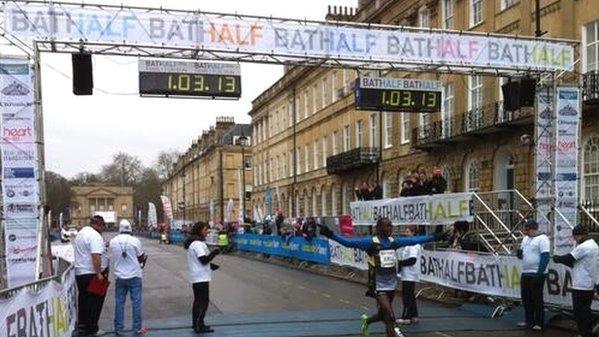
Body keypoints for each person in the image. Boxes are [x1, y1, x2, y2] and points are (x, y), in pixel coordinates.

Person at [319, 218, 445, 337]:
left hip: (391, 284)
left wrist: (434, 237)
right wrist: (330, 234)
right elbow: (349, 243)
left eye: (391, 225)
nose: (390, 228)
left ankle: (367, 321)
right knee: (390, 316)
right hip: (378, 285)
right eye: (387, 226)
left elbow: (414, 240)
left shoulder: (393, 242)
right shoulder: (370, 242)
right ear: (379, 228)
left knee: (383, 315)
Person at [553, 225, 599, 337]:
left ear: (581, 235)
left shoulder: (585, 246)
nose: (575, 239)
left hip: (582, 285)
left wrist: (556, 258)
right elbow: (572, 262)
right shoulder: (593, 245)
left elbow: (569, 258)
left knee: (581, 312)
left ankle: (586, 334)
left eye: (575, 237)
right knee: (584, 311)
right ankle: (585, 333)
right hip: (586, 283)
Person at [109, 219, 148, 335]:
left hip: (119, 276)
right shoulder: (135, 241)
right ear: (130, 228)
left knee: (119, 303)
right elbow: (141, 258)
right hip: (135, 275)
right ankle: (137, 329)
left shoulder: (113, 241)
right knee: (136, 302)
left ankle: (118, 329)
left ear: (119, 229)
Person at [185, 222, 221, 334]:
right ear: (199, 230)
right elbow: (203, 259)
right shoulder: (197, 244)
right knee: (202, 301)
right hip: (200, 277)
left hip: (199, 276)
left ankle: (197, 323)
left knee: (200, 301)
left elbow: (201, 261)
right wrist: (215, 252)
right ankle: (198, 325)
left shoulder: (196, 243)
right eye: (206, 230)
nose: (207, 232)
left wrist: (211, 266)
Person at [74, 215, 107, 336]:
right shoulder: (95, 236)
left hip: (81, 273)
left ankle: (83, 325)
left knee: (84, 300)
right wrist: (99, 273)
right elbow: (95, 256)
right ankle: (92, 328)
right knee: (95, 301)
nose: (104, 229)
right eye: (103, 226)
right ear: (99, 225)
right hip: (92, 273)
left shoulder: (82, 232)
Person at [516, 219, 550, 331]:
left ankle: (539, 322)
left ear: (534, 229)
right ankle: (529, 321)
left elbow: (545, 256)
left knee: (537, 298)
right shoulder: (525, 239)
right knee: (526, 298)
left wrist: (540, 273)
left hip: (536, 273)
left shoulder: (543, 239)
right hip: (525, 272)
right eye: (525, 229)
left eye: (527, 229)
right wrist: (519, 254)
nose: (525, 232)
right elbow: (522, 254)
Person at [396, 225, 422, 325]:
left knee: (407, 295)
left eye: (408, 232)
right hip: (406, 274)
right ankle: (414, 315)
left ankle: (407, 317)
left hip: (410, 273)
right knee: (410, 295)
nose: (406, 234)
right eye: (405, 232)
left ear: (413, 233)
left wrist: (400, 263)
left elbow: (412, 260)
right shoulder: (407, 244)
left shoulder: (413, 245)